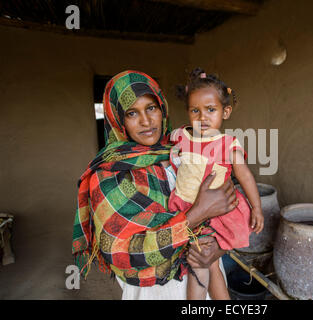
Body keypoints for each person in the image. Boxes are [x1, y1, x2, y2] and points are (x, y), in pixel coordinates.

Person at [71, 70, 237, 300]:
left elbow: (229, 210)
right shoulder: (109, 176)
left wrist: (217, 250)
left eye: (151, 108)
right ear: (118, 119)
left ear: (162, 109)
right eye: (132, 113)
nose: (146, 121)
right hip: (155, 292)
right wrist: (196, 214)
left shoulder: (184, 151)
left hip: (208, 282)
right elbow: (120, 251)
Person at [169, 68, 264, 300]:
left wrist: (257, 208)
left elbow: (245, 177)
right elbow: (170, 156)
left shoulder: (227, 145)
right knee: (211, 265)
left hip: (212, 216)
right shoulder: (181, 136)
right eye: (195, 111)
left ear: (226, 111)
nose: (203, 117)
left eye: (211, 110)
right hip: (186, 209)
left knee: (198, 265)